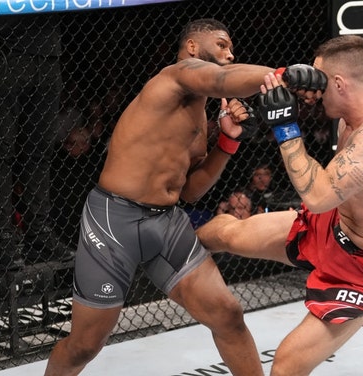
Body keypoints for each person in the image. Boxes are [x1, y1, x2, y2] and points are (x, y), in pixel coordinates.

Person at [44, 19, 319, 376]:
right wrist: (281, 74)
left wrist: (228, 141)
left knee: (228, 315)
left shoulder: (199, 114)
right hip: (114, 221)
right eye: (221, 44)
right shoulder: (175, 76)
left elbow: (191, 189)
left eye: (230, 47)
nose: (230, 53)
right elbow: (223, 79)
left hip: (167, 221)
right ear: (192, 47)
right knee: (84, 346)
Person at [197, 35, 363, 376]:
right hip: (334, 225)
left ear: (339, 83)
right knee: (229, 233)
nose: (316, 89)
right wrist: (287, 82)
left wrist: (285, 125)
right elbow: (328, 201)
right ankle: (167, 246)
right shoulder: (350, 116)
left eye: (321, 80)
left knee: (286, 366)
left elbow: (319, 196)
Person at [0, 15, 70, 268]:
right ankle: (2, 239)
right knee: (0, 149)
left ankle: (39, 232)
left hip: (47, 49)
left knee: (41, 149)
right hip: (2, 47)